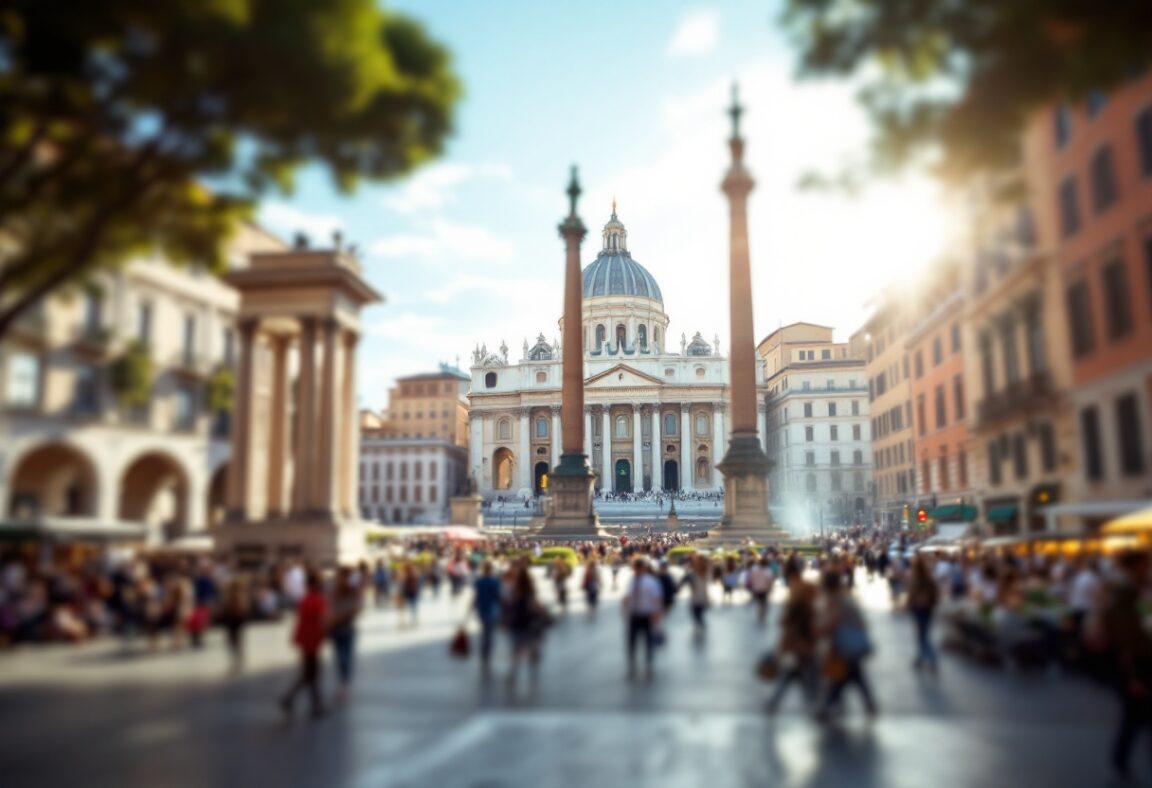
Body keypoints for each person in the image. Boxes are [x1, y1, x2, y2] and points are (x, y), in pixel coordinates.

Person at [1102, 551, 1152, 783]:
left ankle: (1120, 759)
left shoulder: (1130, 592)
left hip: (1137, 664)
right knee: (1133, 716)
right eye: (1146, 564)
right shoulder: (1124, 594)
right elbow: (1125, 640)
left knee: (1135, 717)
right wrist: (1132, 676)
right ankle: (1119, 759)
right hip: (1136, 666)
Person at [816, 570, 877, 720]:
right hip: (848, 642)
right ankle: (868, 704)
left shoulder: (837, 599)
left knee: (842, 677)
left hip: (845, 644)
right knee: (852, 675)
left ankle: (828, 706)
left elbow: (834, 621)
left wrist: (818, 631)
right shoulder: (845, 597)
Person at [767, 564, 819, 713]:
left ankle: (774, 702)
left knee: (794, 677)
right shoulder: (803, 609)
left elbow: (787, 627)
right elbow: (792, 629)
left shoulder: (801, 607)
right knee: (806, 678)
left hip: (801, 649)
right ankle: (817, 704)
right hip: (803, 649)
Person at [280, 570, 328, 719]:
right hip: (313, 639)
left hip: (305, 639)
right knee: (312, 674)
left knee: (310, 674)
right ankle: (296, 701)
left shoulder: (305, 599)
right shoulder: (318, 600)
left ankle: (310, 704)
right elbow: (323, 621)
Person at [504, 562, 548, 689]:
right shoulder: (530, 591)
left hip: (516, 622)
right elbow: (535, 605)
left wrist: (505, 620)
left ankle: (513, 670)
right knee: (529, 644)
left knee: (515, 648)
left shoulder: (514, 590)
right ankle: (532, 663)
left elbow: (508, 605)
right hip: (528, 622)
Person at [622, 558, 665, 679]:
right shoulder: (631, 581)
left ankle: (649, 664)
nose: (635, 570)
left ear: (643, 568)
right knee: (632, 642)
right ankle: (632, 665)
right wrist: (625, 609)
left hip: (647, 615)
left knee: (648, 642)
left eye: (637, 567)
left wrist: (657, 615)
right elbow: (627, 597)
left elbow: (657, 599)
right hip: (634, 615)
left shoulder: (651, 582)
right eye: (634, 567)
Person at [328, 566, 362, 700]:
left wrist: (339, 617)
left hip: (347, 629)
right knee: (339, 658)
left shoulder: (353, 592)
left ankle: (344, 684)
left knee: (345, 659)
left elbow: (355, 610)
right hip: (336, 630)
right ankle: (342, 683)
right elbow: (330, 608)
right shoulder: (334, 591)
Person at [906, 554, 940, 673]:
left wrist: (909, 604)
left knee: (923, 636)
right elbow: (935, 595)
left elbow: (912, 595)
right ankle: (920, 658)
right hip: (926, 610)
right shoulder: (928, 579)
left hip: (920, 610)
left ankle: (931, 659)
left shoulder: (918, 581)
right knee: (922, 635)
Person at [472, 561, 502, 673]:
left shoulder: (479, 581)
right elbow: (498, 596)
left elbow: (476, 596)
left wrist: (470, 609)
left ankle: (484, 650)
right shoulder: (495, 581)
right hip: (492, 609)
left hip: (481, 609)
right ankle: (487, 651)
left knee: (485, 630)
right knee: (489, 632)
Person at [219, 574, 250, 675]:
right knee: (235, 641)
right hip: (233, 620)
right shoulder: (238, 595)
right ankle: (238, 659)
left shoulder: (236, 595)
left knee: (234, 641)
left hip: (234, 620)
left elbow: (239, 609)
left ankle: (237, 660)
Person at [679, 554, 712, 639]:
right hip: (700, 598)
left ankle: (700, 626)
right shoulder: (702, 573)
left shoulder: (700, 573)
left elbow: (685, 580)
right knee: (698, 615)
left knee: (697, 615)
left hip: (699, 598)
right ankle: (700, 626)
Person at [747, 557, 775, 626]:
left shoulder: (755, 570)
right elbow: (770, 581)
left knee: (759, 602)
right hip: (765, 589)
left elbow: (751, 579)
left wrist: (753, 587)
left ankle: (760, 613)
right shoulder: (768, 571)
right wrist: (771, 588)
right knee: (764, 603)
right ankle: (763, 614)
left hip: (757, 589)